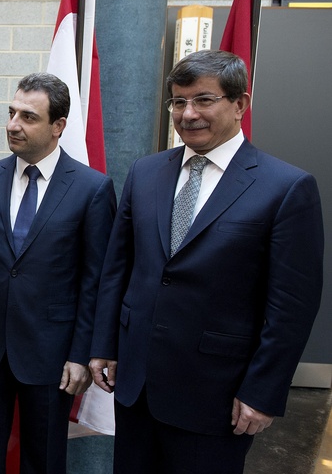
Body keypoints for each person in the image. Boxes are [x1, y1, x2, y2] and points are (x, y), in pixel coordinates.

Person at [89, 49, 324, 474]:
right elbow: (118, 268)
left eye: (203, 100)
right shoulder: (145, 172)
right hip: (137, 385)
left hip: (216, 395)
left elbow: (291, 306)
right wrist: (105, 344)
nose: (188, 114)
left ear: (240, 104)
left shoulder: (286, 188)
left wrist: (263, 391)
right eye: (178, 102)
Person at [0, 73, 116, 473]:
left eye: (28, 117)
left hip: (52, 353)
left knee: (44, 457)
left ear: (57, 126)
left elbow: (94, 280)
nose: (13, 124)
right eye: (12, 113)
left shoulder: (91, 189)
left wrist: (81, 353)